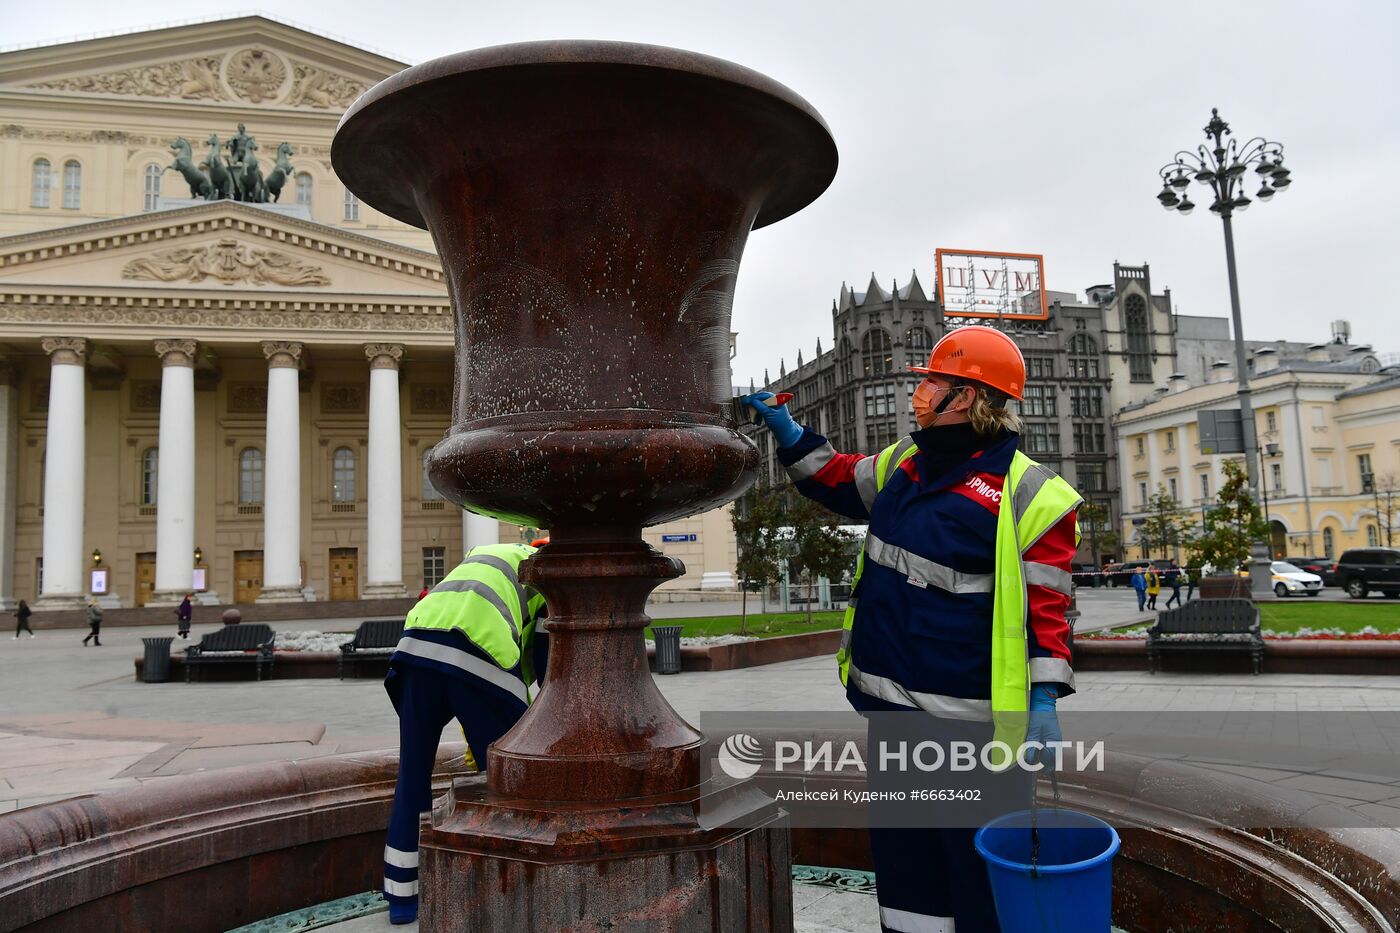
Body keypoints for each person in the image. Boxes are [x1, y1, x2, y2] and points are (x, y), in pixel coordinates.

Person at [745, 324, 1080, 932]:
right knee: (907, 880)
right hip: (892, 715)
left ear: (969, 398)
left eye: (931, 381)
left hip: (973, 733)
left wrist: (1044, 697)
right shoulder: (905, 461)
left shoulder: (1032, 493)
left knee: (976, 882)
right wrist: (790, 434)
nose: (918, 393)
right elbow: (841, 480)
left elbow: (1048, 610)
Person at [382, 541, 550, 925]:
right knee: (507, 776)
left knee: (413, 776)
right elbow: (544, 668)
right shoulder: (545, 575)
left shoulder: (486, 553)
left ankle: (403, 898)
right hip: (477, 648)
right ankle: (509, 883)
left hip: (415, 648)